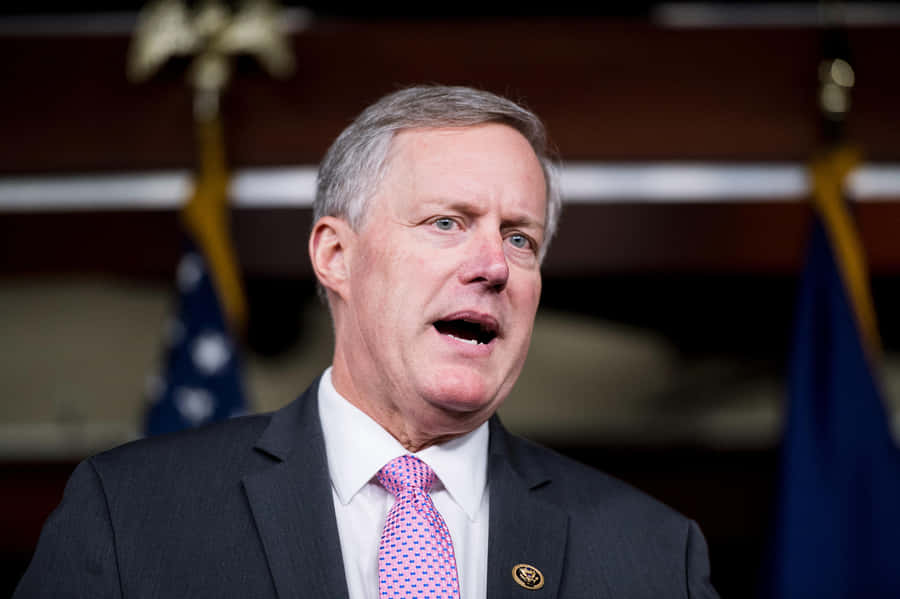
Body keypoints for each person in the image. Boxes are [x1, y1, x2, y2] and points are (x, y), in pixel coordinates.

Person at [15, 85, 719, 598]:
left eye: (519, 237)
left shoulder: (654, 558)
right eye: (448, 221)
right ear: (335, 255)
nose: (494, 264)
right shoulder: (131, 515)